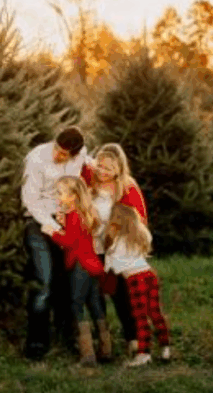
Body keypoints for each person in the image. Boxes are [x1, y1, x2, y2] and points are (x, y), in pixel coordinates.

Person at [21, 126, 93, 360]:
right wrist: (51, 227)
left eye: (64, 154)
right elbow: (30, 199)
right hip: (39, 222)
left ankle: (66, 337)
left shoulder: (79, 156)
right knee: (44, 282)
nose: (58, 156)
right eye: (57, 150)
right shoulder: (36, 158)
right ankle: (36, 346)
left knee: (67, 282)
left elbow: (89, 162)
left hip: (67, 221)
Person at [82, 143, 147, 356]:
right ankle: (104, 341)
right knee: (96, 295)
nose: (102, 172)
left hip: (116, 249)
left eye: (108, 168)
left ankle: (134, 338)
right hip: (92, 248)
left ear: (119, 169)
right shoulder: (89, 181)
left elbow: (139, 222)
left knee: (122, 294)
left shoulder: (128, 188)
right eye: (99, 166)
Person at [42, 176, 111, 366]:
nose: (58, 196)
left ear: (73, 196)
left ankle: (87, 355)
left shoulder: (74, 215)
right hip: (93, 265)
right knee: (95, 305)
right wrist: (64, 225)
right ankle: (106, 350)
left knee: (77, 305)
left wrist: (52, 232)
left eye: (60, 193)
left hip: (80, 265)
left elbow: (69, 242)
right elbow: (78, 237)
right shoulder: (83, 214)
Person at [103, 203, 171, 367]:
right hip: (149, 275)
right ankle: (165, 348)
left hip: (135, 279)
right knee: (155, 312)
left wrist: (108, 250)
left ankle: (144, 354)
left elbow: (114, 267)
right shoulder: (141, 235)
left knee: (140, 317)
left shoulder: (118, 242)